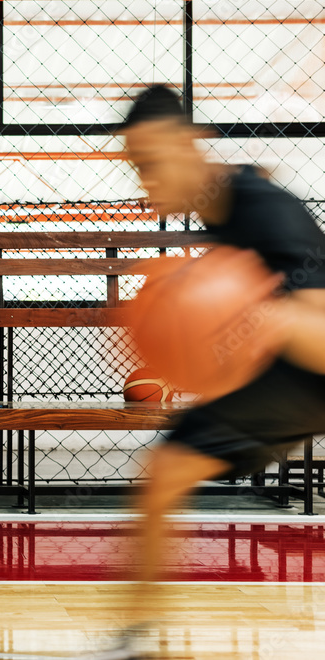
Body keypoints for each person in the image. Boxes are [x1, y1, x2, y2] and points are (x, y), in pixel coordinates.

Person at [91, 83, 325, 659]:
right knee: (160, 479)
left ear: (192, 144)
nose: (144, 182)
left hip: (309, 375)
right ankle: (137, 639)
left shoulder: (260, 209)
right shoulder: (222, 207)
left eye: (149, 163)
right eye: (135, 168)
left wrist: (247, 317)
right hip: (279, 376)